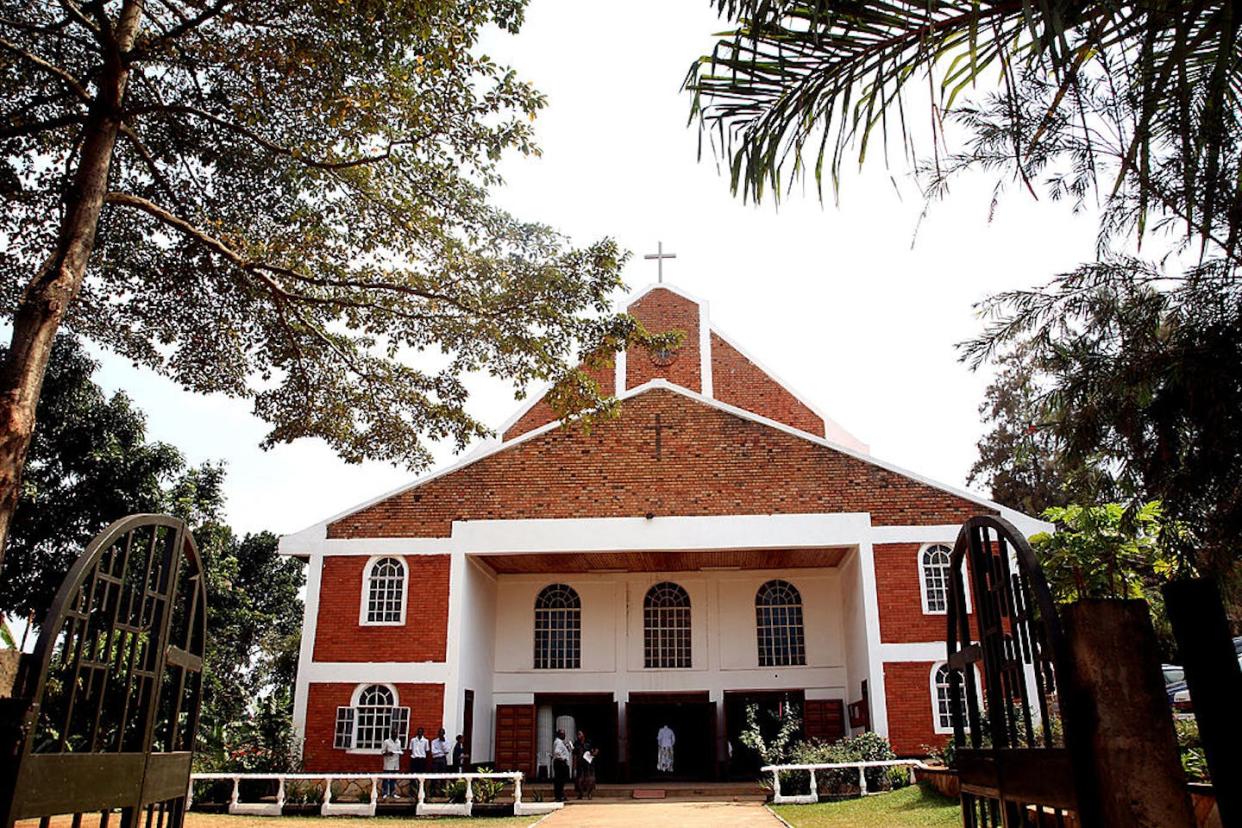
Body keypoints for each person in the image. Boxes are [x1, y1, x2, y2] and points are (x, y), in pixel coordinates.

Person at [573, 730, 598, 800]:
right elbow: (574, 755)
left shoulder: (589, 742)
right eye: (577, 734)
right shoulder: (576, 743)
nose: (578, 736)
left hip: (588, 763)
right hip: (580, 764)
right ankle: (580, 794)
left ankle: (589, 793)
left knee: (590, 779)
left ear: (583, 735)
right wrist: (574, 765)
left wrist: (594, 753)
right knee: (579, 779)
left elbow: (596, 750)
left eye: (580, 734)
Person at [380, 724, 403, 800]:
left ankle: (393, 793)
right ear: (391, 733)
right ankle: (385, 793)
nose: (395, 734)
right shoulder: (386, 742)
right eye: (394, 733)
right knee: (386, 778)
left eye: (396, 733)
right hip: (388, 763)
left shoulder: (398, 741)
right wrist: (388, 753)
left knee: (393, 779)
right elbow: (382, 752)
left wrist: (400, 753)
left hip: (396, 763)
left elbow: (399, 750)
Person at [551, 728, 572, 802]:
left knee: (561, 780)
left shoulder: (560, 742)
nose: (564, 735)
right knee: (559, 780)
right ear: (559, 735)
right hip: (560, 763)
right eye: (562, 734)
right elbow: (557, 752)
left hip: (560, 762)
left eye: (564, 733)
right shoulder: (558, 742)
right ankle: (559, 796)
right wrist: (562, 759)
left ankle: (561, 795)